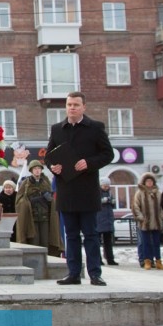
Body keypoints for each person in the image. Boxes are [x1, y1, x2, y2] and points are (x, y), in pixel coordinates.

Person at [46, 92, 114, 286]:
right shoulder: (58, 129)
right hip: (66, 190)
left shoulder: (95, 128)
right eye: (69, 104)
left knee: (91, 234)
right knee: (71, 235)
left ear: (84, 107)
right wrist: (53, 167)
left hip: (87, 190)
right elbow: (49, 155)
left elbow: (108, 154)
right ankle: (73, 273)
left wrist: (89, 163)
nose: (72, 108)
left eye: (76, 104)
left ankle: (94, 273)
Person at [15, 160, 61, 256]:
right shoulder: (26, 183)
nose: (37, 171)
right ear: (31, 171)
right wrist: (32, 200)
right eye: (35, 169)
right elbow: (19, 200)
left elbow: (51, 199)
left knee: (45, 241)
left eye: (39, 168)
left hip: (45, 217)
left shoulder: (45, 182)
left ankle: (48, 261)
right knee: (34, 242)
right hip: (32, 218)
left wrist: (49, 199)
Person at [132, 172, 163, 270]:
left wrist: (161, 216)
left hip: (156, 222)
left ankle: (158, 261)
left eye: (151, 181)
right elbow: (135, 207)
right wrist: (141, 218)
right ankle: (147, 261)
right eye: (147, 181)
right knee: (145, 243)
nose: (149, 183)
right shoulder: (140, 193)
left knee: (156, 242)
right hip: (145, 223)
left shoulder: (158, 193)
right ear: (144, 182)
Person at [96, 178, 118, 266]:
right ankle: (98, 259)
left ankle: (110, 259)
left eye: (107, 186)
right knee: (97, 241)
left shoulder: (110, 193)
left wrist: (113, 202)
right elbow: (95, 203)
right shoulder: (97, 193)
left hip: (108, 221)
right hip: (99, 220)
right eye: (105, 186)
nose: (106, 187)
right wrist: (103, 201)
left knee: (108, 242)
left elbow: (113, 206)